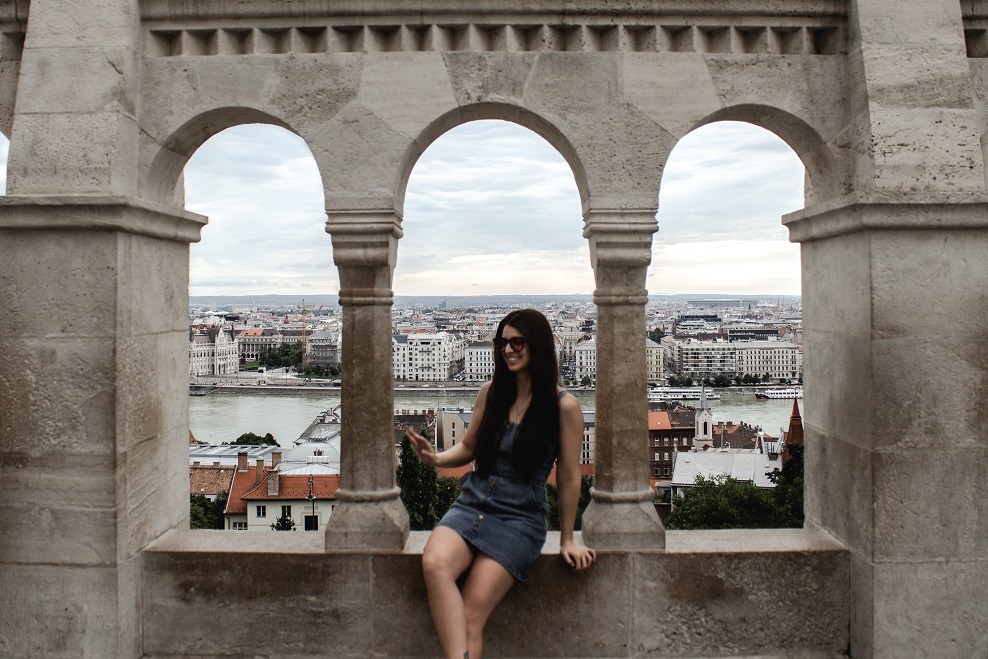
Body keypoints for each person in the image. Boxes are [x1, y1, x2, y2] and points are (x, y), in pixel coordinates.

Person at [405, 308, 596, 659]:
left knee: (471, 614)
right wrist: (434, 460)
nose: (508, 349)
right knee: (434, 563)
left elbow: (569, 475)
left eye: (517, 342)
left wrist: (568, 538)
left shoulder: (563, 407)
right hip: (472, 503)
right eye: (503, 342)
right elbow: (468, 448)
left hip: (519, 517)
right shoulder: (490, 393)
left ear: (537, 346)